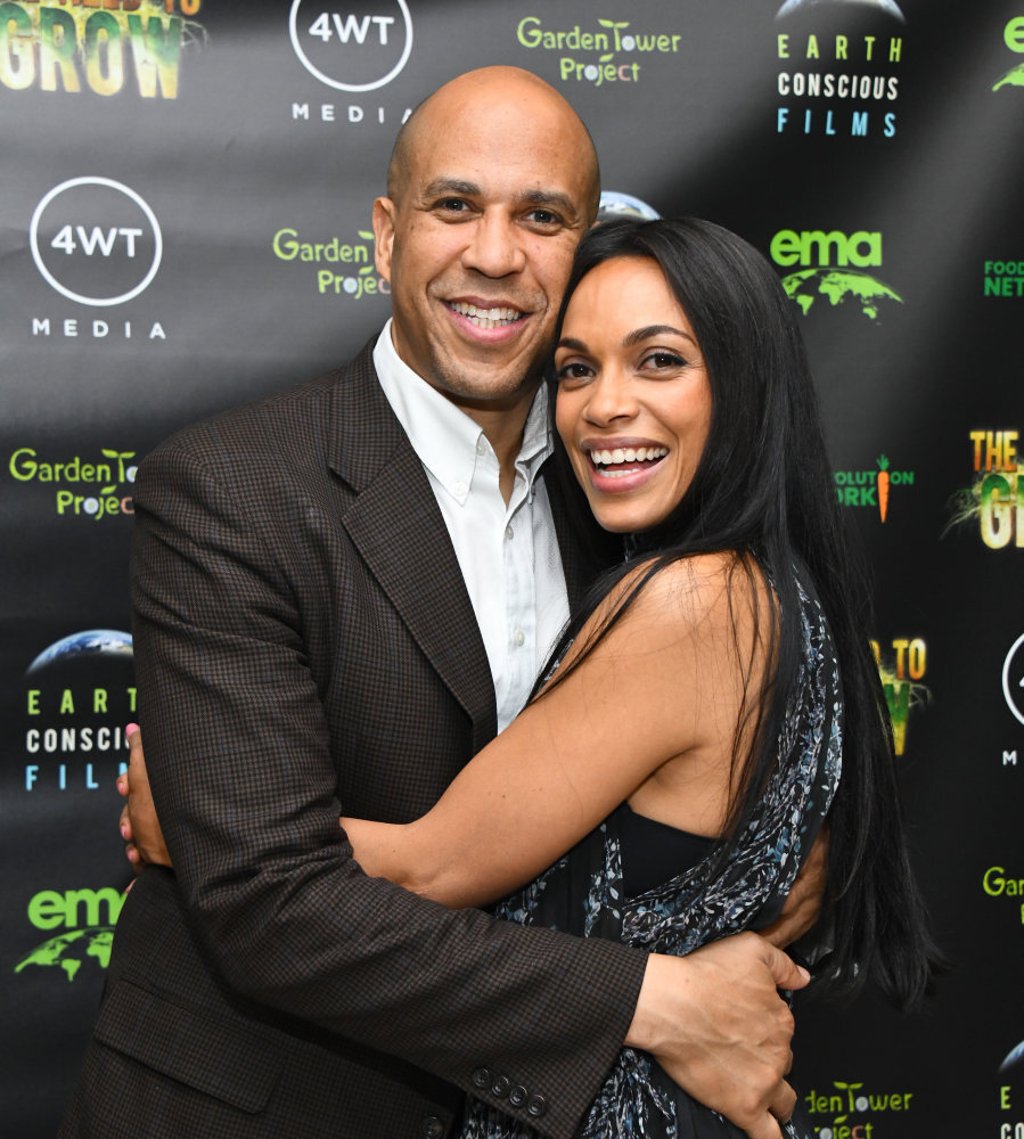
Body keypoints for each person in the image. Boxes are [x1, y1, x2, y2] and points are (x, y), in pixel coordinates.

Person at [62, 68, 817, 1139]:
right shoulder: (232, 489)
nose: (495, 254)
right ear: (386, 236)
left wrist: (748, 924)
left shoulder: (624, 487)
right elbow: (271, 906)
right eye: (455, 205)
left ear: (584, 248)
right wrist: (650, 998)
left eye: (542, 217)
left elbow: (762, 793)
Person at [121, 218, 939, 1138]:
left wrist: (203, 825)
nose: (604, 405)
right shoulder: (784, 591)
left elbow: (431, 868)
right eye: (577, 369)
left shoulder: (687, 602)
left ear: (747, 384)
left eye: (659, 361)